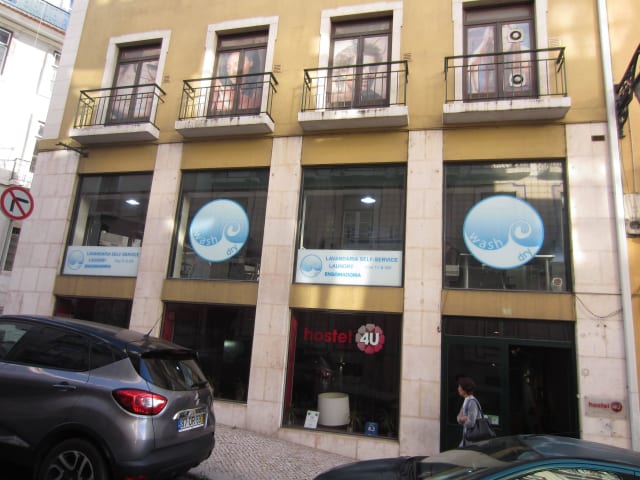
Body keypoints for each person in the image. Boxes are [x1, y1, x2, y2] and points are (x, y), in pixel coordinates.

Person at [456, 376, 482, 447]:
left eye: (459, 387)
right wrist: (462, 419)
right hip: (466, 439)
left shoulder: (472, 402)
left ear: (464, 389)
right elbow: (458, 418)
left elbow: (471, 423)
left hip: (473, 441)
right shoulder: (466, 400)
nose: (458, 389)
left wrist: (463, 419)